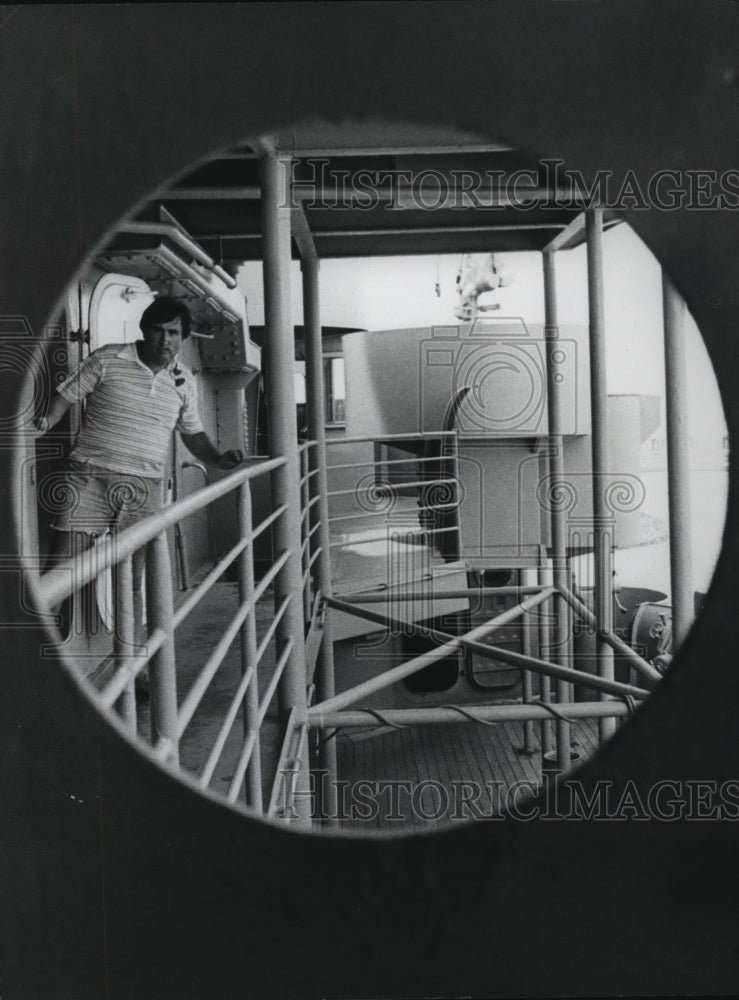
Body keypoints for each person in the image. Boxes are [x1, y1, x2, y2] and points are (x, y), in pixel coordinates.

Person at [34, 296, 244, 654]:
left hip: (144, 487)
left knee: (130, 580)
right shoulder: (107, 358)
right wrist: (44, 422)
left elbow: (191, 432)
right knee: (61, 571)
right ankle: (40, 662)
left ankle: (129, 662)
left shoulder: (184, 383)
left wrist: (218, 458)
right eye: (159, 331)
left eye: (174, 333)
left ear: (184, 337)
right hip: (90, 476)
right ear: (144, 331)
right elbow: (66, 396)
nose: (166, 341)